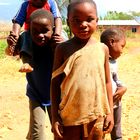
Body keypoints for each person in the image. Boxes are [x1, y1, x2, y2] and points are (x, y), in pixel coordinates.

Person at [51, 0, 114, 140]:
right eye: (77, 20)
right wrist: (55, 117)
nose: (83, 25)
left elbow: (108, 82)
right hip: (68, 118)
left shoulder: (102, 49)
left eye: (89, 19)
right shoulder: (62, 49)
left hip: (96, 117)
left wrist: (110, 113)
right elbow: (55, 84)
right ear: (68, 22)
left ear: (97, 21)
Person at [6, 9, 63, 140]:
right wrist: (11, 45)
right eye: (35, 31)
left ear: (53, 29)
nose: (40, 35)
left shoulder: (58, 43)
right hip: (36, 94)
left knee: (60, 129)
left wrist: (59, 45)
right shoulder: (27, 39)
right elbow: (9, 52)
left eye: (45, 31)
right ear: (30, 29)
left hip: (57, 95)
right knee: (38, 133)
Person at [6, 0, 63, 73]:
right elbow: (18, 21)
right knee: (24, 35)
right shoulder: (26, 5)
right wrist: (15, 36)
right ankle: (26, 62)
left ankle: (63, 56)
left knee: (62, 35)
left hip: (49, 34)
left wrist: (57, 34)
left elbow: (57, 18)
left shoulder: (51, 3)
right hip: (31, 35)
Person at [100, 28, 127, 140]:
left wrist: (123, 88)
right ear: (111, 42)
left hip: (116, 102)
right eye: (122, 46)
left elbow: (116, 79)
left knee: (117, 131)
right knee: (101, 131)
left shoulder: (114, 62)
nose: (122, 51)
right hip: (102, 106)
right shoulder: (98, 59)